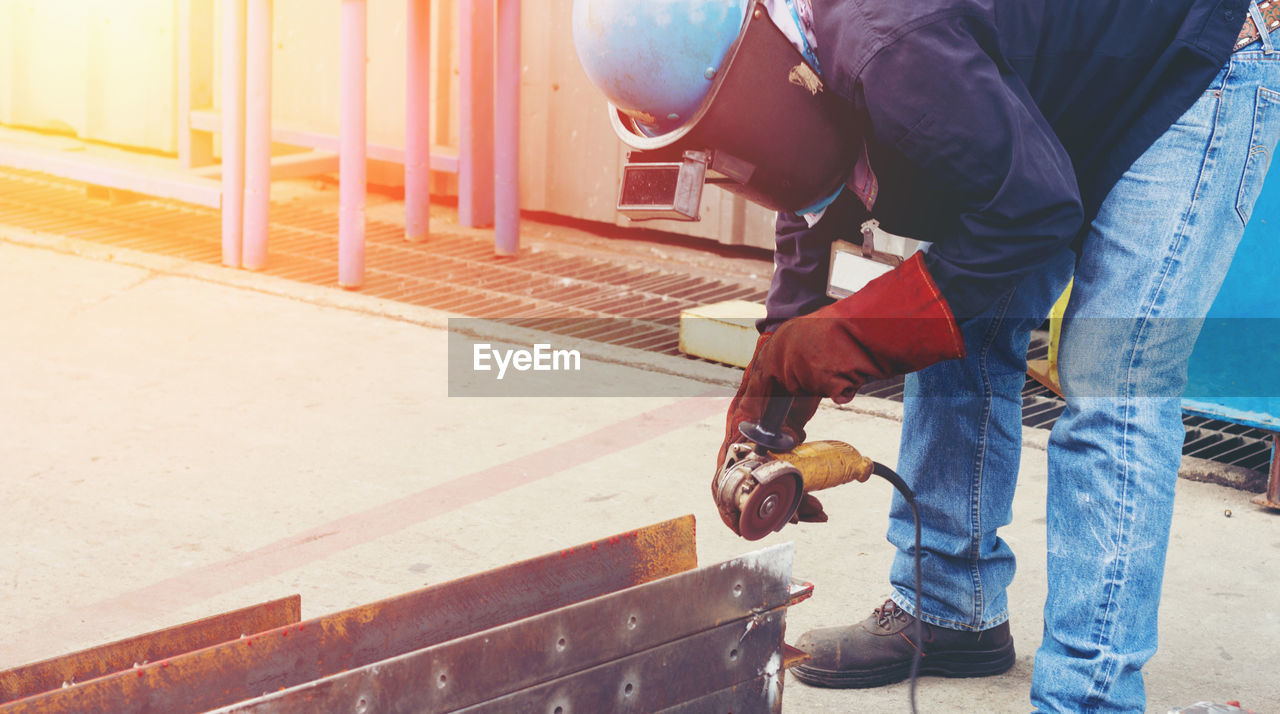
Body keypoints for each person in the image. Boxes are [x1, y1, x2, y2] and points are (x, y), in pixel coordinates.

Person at [574, 1, 1280, 710]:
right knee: (956, 320)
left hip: (1196, 60)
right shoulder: (806, 37)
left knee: (1113, 377)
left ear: (752, 60)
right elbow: (806, 184)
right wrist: (782, 355)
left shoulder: (886, 38)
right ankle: (949, 610)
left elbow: (1033, 210)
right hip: (1078, 67)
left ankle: (1089, 694)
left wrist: (852, 334)